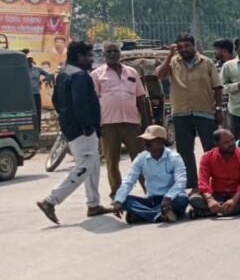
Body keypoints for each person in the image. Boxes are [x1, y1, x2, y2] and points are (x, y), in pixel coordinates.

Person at [36, 41, 107, 224]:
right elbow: (81, 103)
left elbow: (56, 101)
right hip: (82, 129)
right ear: (79, 57)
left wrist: (68, 120)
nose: (91, 60)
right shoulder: (79, 76)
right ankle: (51, 200)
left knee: (93, 164)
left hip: (70, 126)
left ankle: (93, 204)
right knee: (86, 164)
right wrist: (87, 127)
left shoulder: (63, 74)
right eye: (88, 56)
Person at [157, 33, 224, 189]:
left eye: (187, 46)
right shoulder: (173, 62)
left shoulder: (206, 63)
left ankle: (215, 182)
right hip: (181, 113)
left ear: (194, 46)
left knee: (211, 149)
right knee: (185, 151)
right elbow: (160, 75)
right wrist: (169, 56)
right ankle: (193, 184)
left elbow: (217, 87)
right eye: (180, 47)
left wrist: (218, 107)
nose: (184, 49)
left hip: (205, 111)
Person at [91, 42, 150, 200]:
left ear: (120, 53)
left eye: (115, 51)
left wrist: (146, 123)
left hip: (132, 124)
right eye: (108, 51)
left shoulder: (131, 72)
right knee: (112, 161)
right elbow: (93, 102)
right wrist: (97, 124)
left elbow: (141, 98)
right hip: (108, 125)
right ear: (104, 54)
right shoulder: (97, 75)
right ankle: (117, 195)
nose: (112, 54)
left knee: (140, 160)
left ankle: (150, 192)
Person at [111, 125, 189, 224]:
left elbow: (181, 182)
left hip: (171, 199)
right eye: (144, 140)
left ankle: (142, 215)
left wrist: (168, 197)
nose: (145, 144)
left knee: (182, 200)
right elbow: (128, 181)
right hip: (152, 200)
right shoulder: (141, 158)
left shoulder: (174, 157)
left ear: (160, 141)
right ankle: (159, 215)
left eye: (149, 141)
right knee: (119, 197)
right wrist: (118, 201)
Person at [189, 129, 240, 218]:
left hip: (237, 196)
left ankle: (210, 212)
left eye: (232, 140)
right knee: (193, 199)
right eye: (226, 142)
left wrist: (234, 200)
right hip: (216, 196)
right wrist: (210, 200)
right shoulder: (207, 157)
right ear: (217, 144)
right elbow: (203, 181)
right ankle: (231, 211)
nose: (231, 144)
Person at [26, 54, 54, 132]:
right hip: (27, 95)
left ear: (32, 60)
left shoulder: (37, 69)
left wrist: (41, 81)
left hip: (36, 93)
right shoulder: (24, 69)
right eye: (27, 60)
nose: (29, 61)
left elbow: (50, 75)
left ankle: (38, 129)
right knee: (29, 112)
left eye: (30, 59)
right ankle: (30, 128)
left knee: (38, 111)